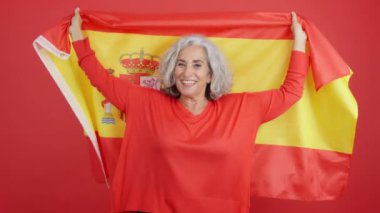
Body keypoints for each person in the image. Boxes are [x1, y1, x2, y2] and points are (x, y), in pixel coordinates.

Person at [69, 8, 308, 213]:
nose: (187, 73)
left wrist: (299, 41)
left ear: (210, 74)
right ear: (172, 71)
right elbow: (99, 77)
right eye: (180, 65)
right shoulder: (143, 102)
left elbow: (292, 91)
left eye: (197, 65)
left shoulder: (243, 108)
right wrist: (78, 38)